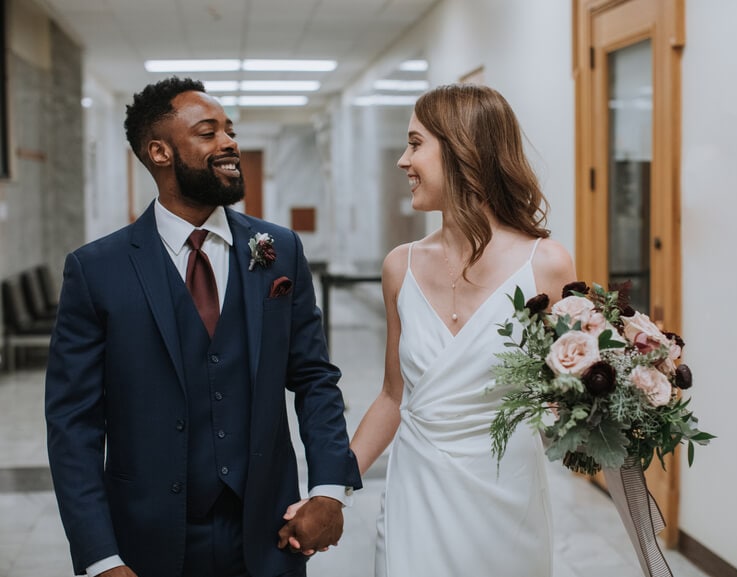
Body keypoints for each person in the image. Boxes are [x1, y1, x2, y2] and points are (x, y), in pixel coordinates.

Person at [44, 76, 361, 577]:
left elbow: (314, 377)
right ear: (160, 152)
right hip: (148, 537)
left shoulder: (279, 249)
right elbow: (74, 426)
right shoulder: (95, 269)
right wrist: (100, 556)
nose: (229, 142)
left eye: (230, 131)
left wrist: (328, 491)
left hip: (270, 530)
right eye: (208, 132)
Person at [352, 84, 575, 576]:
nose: (402, 161)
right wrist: (333, 485)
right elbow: (393, 397)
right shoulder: (400, 267)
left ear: (461, 150)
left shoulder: (547, 265)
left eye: (415, 144)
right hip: (415, 499)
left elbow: (568, 393)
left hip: (507, 506)